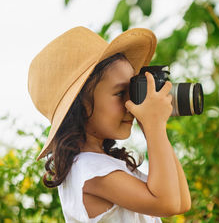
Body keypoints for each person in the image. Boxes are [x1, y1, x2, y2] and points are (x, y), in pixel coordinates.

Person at [27, 26, 191, 222]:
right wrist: (153, 125)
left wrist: (152, 126)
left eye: (132, 91)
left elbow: (182, 201)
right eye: (121, 93)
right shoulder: (90, 170)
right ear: (82, 106)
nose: (130, 104)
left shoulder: (102, 165)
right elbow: (169, 203)